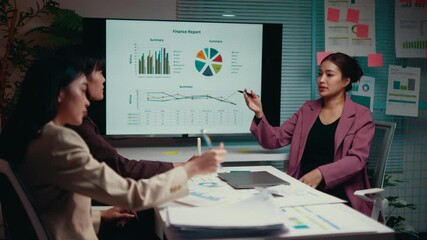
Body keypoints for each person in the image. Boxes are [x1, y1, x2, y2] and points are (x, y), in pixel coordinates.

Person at [0, 52, 226, 240]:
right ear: (59, 93)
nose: (87, 100)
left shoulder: (33, 136)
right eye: (81, 89)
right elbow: (132, 195)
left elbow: (48, 209)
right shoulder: (59, 141)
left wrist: (98, 217)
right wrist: (190, 170)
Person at [62, 46, 191, 239]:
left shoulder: (62, 130)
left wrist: (99, 216)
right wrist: (181, 168)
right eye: (99, 71)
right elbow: (120, 169)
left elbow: (57, 208)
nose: (104, 79)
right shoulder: (70, 131)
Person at [243, 52, 375, 216]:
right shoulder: (308, 109)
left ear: (346, 81)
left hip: (341, 195)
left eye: (329, 75)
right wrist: (259, 113)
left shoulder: (361, 115)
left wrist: (321, 173)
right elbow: (274, 140)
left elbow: (357, 160)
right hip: (303, 190)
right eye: (320, 74)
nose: (322, 80)